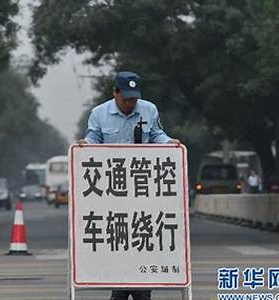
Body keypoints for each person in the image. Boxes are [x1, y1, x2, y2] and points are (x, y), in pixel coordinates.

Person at [78, 71, 180, 300]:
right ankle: (127, 289)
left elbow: (157, 135)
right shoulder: (99, 114)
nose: (130, 103)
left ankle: (133, 289)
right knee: (119, 239)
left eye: (133, 99)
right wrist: (85, 145)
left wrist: (169, 143)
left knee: (141, 238)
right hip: (112, 193)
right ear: (115, 93)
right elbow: (93, 139)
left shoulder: (149, 110)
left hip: (143, 191)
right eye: (125, 98)